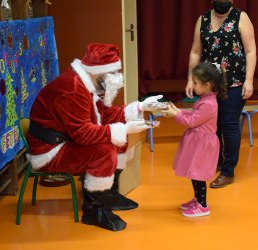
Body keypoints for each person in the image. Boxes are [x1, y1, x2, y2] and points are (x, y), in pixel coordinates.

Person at [26, 43, 164, 231]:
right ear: (98, 71)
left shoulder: (89, 84)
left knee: (118, 137)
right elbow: (83, 135)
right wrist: (123, 130)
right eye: (112, 73)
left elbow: (106, 116)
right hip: (49, 150)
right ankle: (93, 210)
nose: (116, 78)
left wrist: (140, 107)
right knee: (104, 149)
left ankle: (109, 193)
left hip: (67, 139)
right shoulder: (73, 88)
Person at [185, 0, 256, 188]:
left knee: (229, 125)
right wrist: (191, 79)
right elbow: (195, 51)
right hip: (209, 84)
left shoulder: (241, 17)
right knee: (211, 126)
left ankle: (228, 171)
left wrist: (249, 81)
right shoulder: (203, 19)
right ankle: (215, 160)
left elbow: (250, 51)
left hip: (234, 82)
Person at [162, 61, 227, 217]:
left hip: (203, 144)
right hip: (197, 141)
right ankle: (197, 199)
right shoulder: (205, 99)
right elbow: (193, 116)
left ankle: (203, 206)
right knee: (193, 173)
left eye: (196, 83)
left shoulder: (209, 104)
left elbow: (191, 122)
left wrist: (175, 115)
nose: (193, 85)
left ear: (207, 85)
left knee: (198, 174)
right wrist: (177, 110)